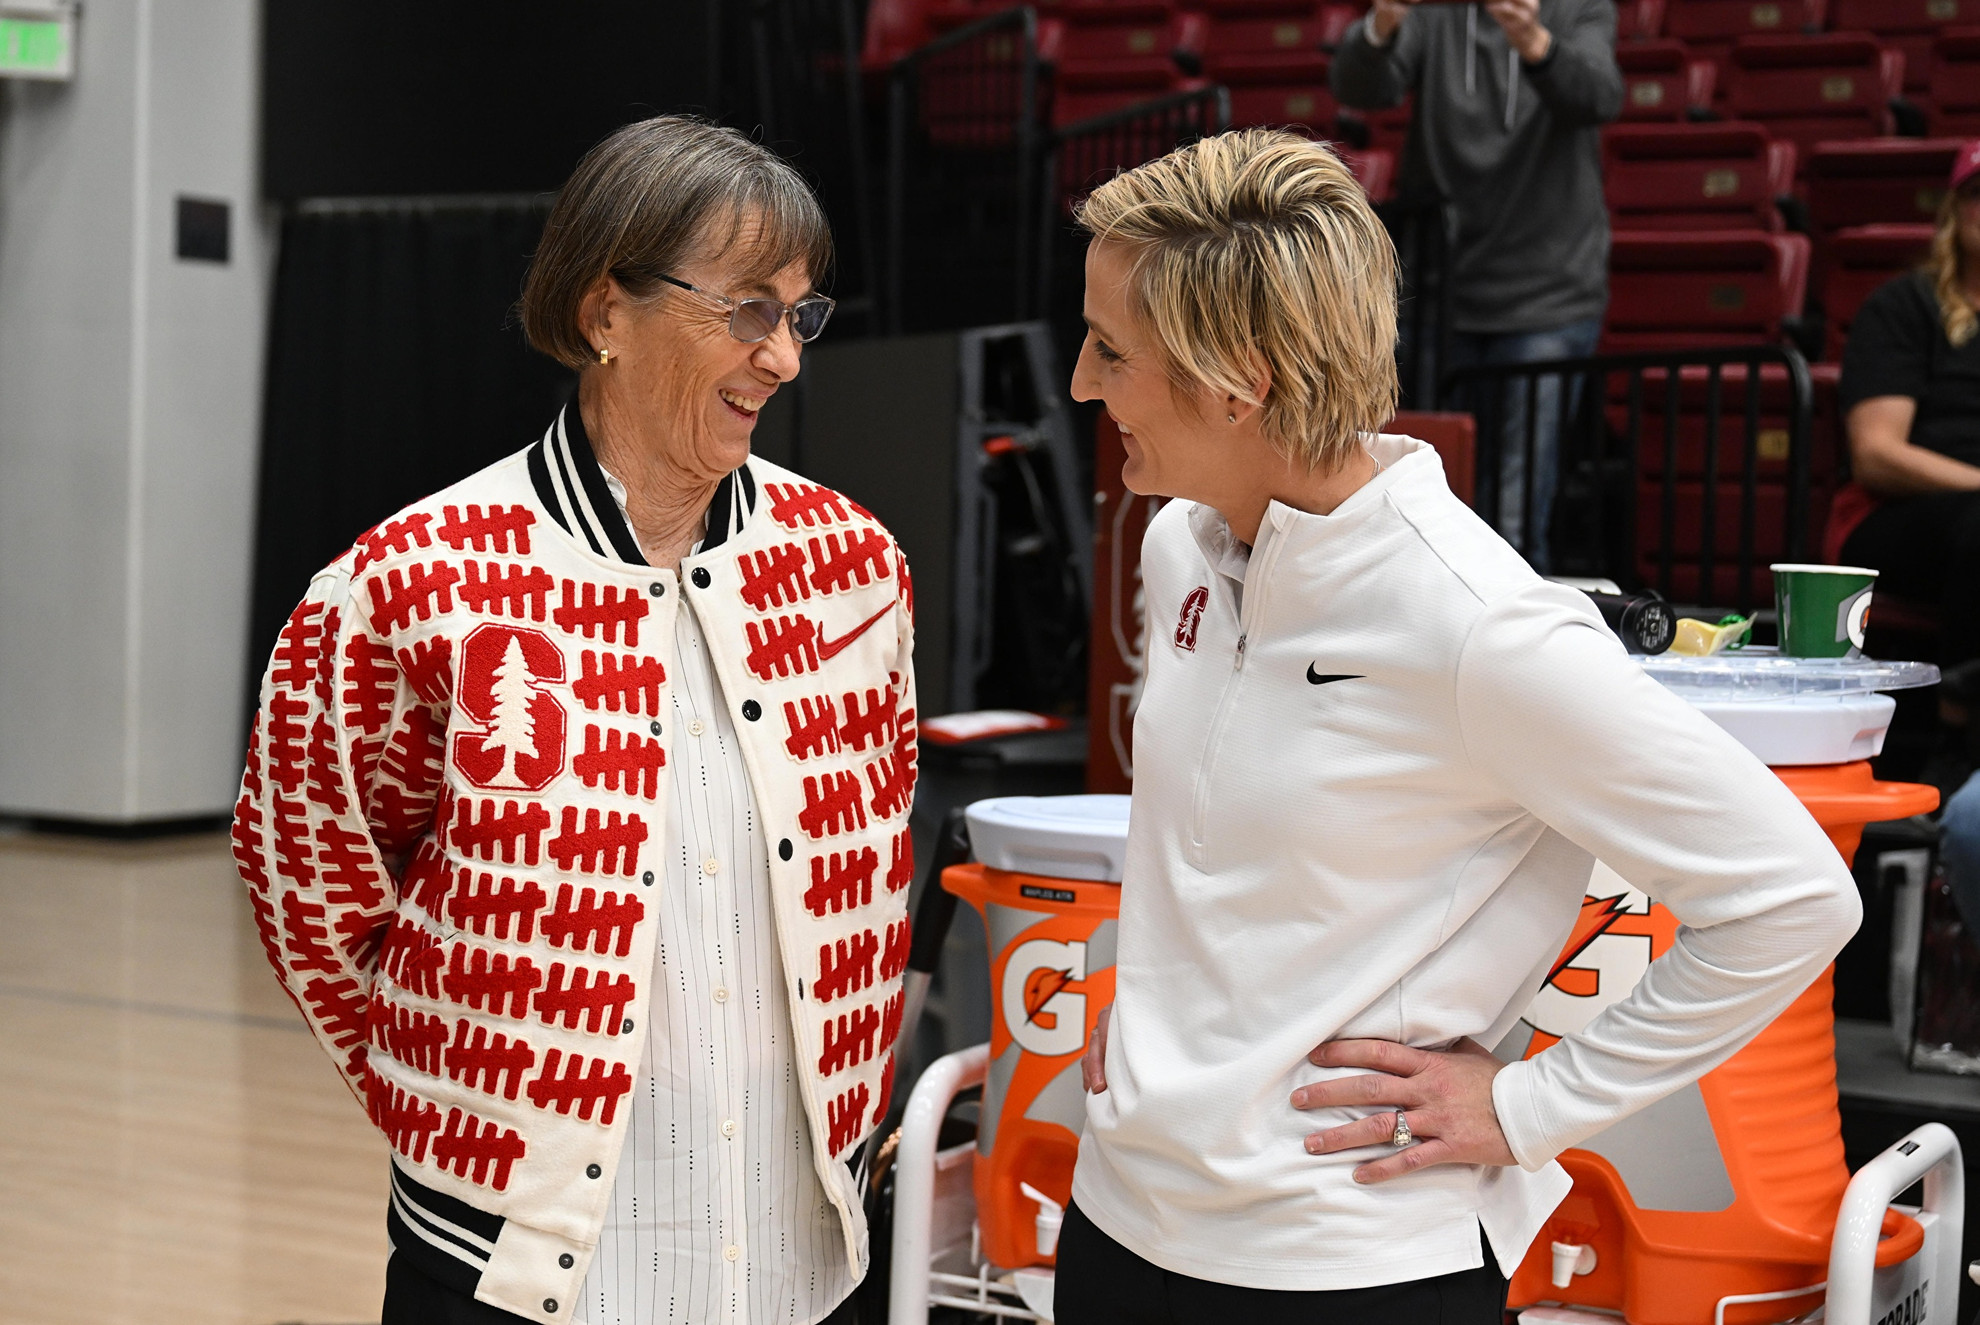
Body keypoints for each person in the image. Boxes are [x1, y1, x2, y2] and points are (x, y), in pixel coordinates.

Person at [1056, 128, 1859, 1324]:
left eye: (1111, 350)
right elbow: (1211, 839)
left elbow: (1794, 897)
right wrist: (1160, 994)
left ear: (1239, 377)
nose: (1079, 381)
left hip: (1353, 1267)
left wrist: (1529, 1108)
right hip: (1120, 1225)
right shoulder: (1179, 540)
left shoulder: (1484, 628)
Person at [232, 115, 917, 1325]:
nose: (784, 359)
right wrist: (463, 1111)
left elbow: (881, 849)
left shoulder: (852, 565)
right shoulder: (412, 579)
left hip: (812, 1252)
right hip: (522, 1265)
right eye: (748, 310)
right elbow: (311, 887)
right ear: (606, 313)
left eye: (800, 314)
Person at [1332, 0, 1621, 565]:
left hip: (1547, 291)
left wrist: (1533, 39)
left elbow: (1598, 96)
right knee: (1422, 500)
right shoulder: (1439, 12)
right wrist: (1385, 21)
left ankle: (1506, 651)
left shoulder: (1579, 7)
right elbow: (1362, 87)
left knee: (1512, 513)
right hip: (1443, 291)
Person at [1831, 139, 1980, 675]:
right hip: (1895, 515)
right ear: (1952, 212)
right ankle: (1958, 733)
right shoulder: (1905, 305)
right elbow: (1877, 455)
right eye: (1977, 194)